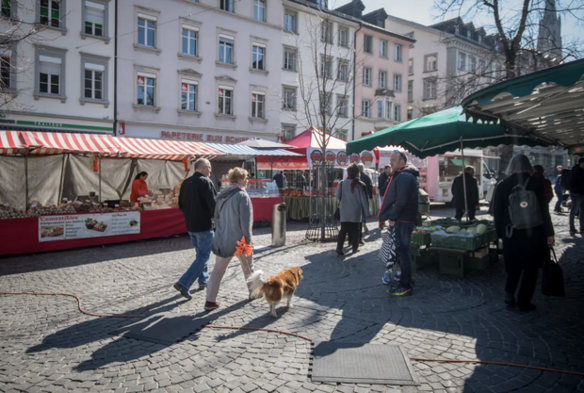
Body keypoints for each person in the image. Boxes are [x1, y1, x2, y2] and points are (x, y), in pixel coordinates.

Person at [493, 154, 554, 312]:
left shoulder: (502, 184)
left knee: (513, 265)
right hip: (533, 231)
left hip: (510, 231)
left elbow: (497, 211)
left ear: (511, 166)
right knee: (531, 268)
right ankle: (523, 301)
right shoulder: (536, 183)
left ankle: (509, 293)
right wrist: (549, 233)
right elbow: (543, 211)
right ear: (529, 165)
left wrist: (500, 233)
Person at [204, 167, 255, 311]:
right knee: (248, 268)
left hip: (223, 238)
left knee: (217, 270)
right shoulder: (242, 196)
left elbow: (216, 217)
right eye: (246, 178)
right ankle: (253, 293)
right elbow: (246, 222)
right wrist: (249, 241)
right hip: (240, 241)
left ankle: (210, 300)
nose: (247, 180)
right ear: (240, 180)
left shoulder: (222, 195)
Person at [174, 159, 217, 300]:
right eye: (209, 168)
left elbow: (180, 204)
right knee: (203, 256)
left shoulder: (186, 182)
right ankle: (184, 283)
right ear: (204, 168)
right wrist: (217, 222)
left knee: (200, 254)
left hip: (190, 225)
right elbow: (213, 206)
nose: (210, 171)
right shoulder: (206, 182)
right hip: (203, 225)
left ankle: (203, 281)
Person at [379, 151, 419, 296]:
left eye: (394, 160)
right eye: (390, 160)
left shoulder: (404, 177)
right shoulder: (404, 175)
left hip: (403, 219)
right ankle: (406, 279)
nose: (391, 162)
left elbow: (401, 200)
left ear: (402, 161)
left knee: (403, 252)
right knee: (404, 251)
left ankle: (406, 285)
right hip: (405, 218)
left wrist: (393, 217)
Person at [335, 163, 369, 256]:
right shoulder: (360, 184)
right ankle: (355, 247)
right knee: (356, 230)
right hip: (356, 211)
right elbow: (363, 200)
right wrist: (367, 211)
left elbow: (337, 196)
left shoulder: (342, 183)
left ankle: (339, 247)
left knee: (343, 230)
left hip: (344, 211)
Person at [569, 157, 584, 235]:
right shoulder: (575, 171)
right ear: (581, 163)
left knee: (582, 212)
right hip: (576, 194)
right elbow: (573, 183)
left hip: (582, 193)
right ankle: (572, 228)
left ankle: (582, 228)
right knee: (574, 211)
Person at [357, 163, 373, 234]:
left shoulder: (355, 177)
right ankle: (363, 222)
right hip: (365, 195)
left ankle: (358, 224)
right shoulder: (366, 177)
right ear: (363, 169)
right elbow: (370, 187)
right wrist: (371, 196)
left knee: (357, 211)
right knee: (364, 210)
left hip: (356, 196)